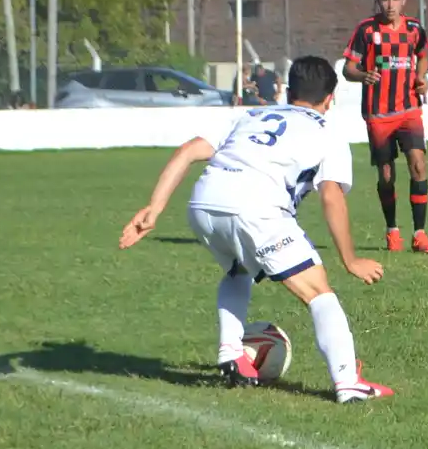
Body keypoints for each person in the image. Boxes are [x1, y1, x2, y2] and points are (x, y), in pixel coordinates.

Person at [118, 55, 394, 403]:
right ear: (330, 99)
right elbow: (331, 196)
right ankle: (348, 382)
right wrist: (350, 260)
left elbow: (188, 151)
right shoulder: (328, 132)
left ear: (289, 92)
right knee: (319, 293)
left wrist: (154, 208)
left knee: (239, 269)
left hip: (204, 203)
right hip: (256, 209)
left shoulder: (251, 115)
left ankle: (232, 351)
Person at [342, 0, 428, 254]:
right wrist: (363, 75)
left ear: (403, 0)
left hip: (409, 110)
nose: (390, 5)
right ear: (378, 0)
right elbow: (348, 69)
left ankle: (420, 234)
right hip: (378, 113)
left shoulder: (415, 29)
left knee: (418, 165)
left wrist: (421, 79)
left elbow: (423, 56)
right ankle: (392, 230)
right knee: (386, 175)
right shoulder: (366, 30)